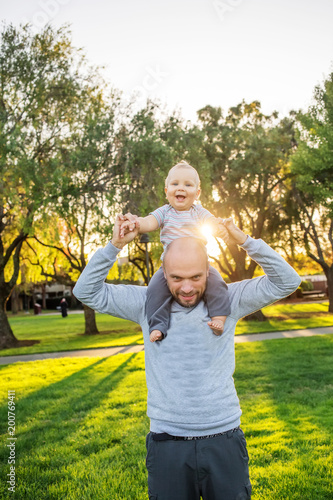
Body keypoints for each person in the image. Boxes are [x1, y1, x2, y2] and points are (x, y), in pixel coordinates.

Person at [73, 215, 301, 500]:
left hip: (224, 439)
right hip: (167, 444)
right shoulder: (144, 303)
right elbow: (85, 291)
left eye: (196, 277)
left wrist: (243, 240)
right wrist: (115, 245)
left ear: (208, 271)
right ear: (163, 273)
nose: (187, 288)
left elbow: (287, 281)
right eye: (176, 278)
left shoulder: (230, 299)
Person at [120, 160, 231, 342]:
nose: (181, 188)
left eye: (188, 185)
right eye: (175, 184)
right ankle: (157, 325)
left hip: (198, 265)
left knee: (217, 284)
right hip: (172, 267)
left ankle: (218, 318)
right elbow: (150, 222)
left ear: (197, 193)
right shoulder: (165, 212)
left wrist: (219, 227)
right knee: (155, 290)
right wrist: (137, 224)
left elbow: (211, 221)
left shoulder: (198, 212)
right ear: (166, 191)